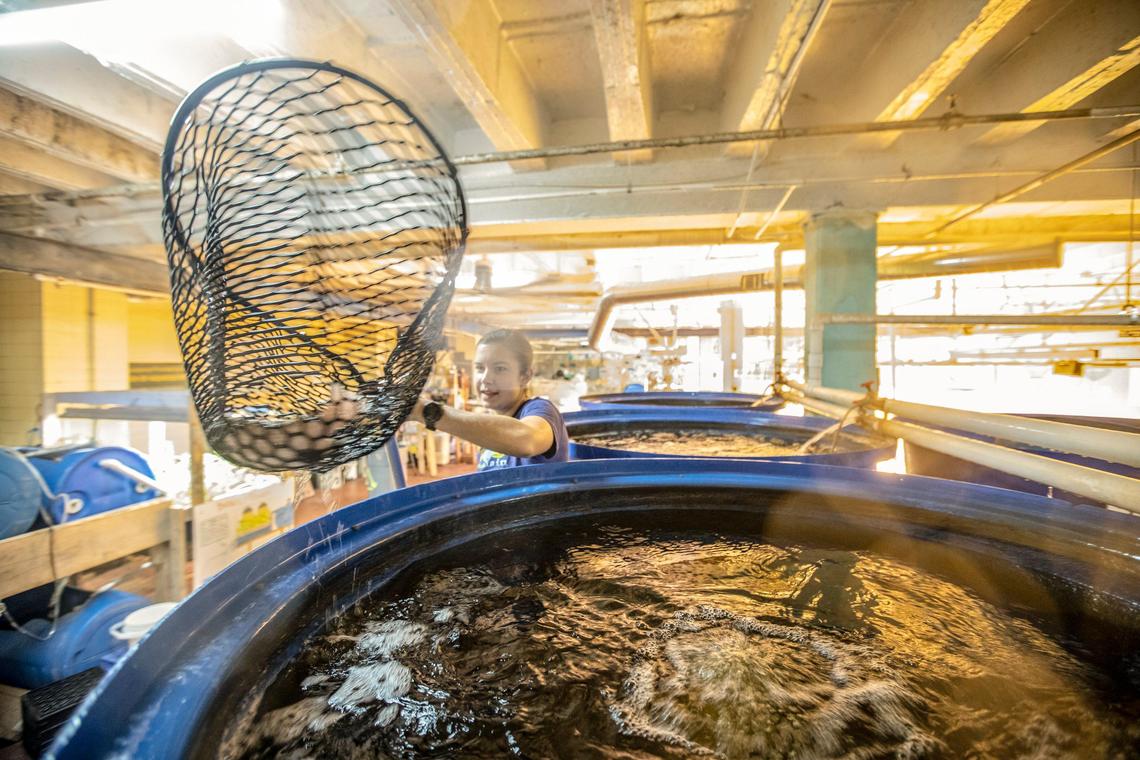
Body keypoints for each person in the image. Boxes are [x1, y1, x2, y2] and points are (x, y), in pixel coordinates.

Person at [409, 329, 569, 471]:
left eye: (500, 369)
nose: (485, 379)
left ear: (525, 376)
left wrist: (425, 411)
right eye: (479, 368)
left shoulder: (540, 409)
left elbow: (527, 440)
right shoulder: (490, 428)